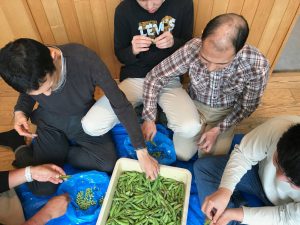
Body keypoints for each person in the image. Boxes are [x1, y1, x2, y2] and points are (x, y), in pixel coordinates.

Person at [0, 38, 158, 195]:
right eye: (40, 93)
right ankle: (19, 146)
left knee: (108, 164)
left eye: (49, 86)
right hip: (50, 122)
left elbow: (121, 104)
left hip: (81, 118)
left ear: (52, 55)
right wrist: (20, 112)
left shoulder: (84, 60)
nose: (48, 94)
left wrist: (141, 151)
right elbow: (27, 91)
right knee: (42, 188)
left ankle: (59, 151)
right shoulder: (29, 72)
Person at [142, 13, 270, 161]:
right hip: (195, 105)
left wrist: (218, 129)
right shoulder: (192, 47)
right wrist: (149, 117)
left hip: (226, 114)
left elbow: (247, 106)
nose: (210, 68)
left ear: (240, 50)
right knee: (181, 155)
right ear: (202, 36)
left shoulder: (257, 65)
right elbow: (155, 76)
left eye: (221, 63)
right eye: (205, 58)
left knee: (210, 159)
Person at [81, 0, 194, 145]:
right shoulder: (124, 9)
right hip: (135, 78)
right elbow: (120, 55)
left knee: (190, 127)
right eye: (143, 1)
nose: (150, 6)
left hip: (168, 78)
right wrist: (133, 50)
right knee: (91, 126)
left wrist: (174, 43)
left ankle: (145, 111)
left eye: (155, 1)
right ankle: (152, 111)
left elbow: (190, 46)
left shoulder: (183, 4)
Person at [194, 115, 300, 225]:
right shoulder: (279, 128)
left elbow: (285, 218)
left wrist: (236, 214)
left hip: (288, 210)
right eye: (277, 162)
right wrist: (225, 189)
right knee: (204, 168)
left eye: (290, 180)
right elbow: (243, 154)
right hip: (257, 176)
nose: (278, 177)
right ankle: (224, 215)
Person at [0, 164, 69, 225]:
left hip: (8, 193)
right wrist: (47, 213)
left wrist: (31, 172)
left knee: (46, 186)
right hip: (15, 218)